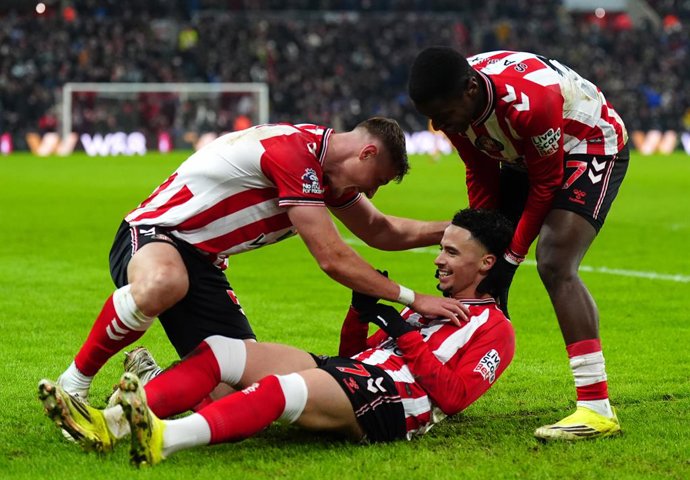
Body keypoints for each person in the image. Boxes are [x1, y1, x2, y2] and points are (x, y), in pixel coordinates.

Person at [38, 208, 516, 466]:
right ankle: (110, 424)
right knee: (223, 352)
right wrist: (361, 312)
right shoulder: (434, 308)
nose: (439, 259)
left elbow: (452, 397)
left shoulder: (497, 331)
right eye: (442, 248)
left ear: (486, 264)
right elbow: (352, 358)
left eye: (452, 253)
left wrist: (398, 327)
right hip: (361, 376)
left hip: (398, 403)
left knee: (282, 391)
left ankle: (164, 437)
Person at [55, 117, 469, 403]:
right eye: (377, 181)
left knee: (235, 388)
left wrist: (456, 227)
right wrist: (414, 298)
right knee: (166, 282)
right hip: (155, 234)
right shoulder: (293, 153)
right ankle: (73, 384)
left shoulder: (328, 174)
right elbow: (332, 258)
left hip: (203, 261)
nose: (372, 194)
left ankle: (148, 378)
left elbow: (382, 231)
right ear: (367, 153)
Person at [408, 46, 629, 441]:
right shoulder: (458, 105)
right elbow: (480, 173)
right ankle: (443, 386)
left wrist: (509, 258)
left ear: (470, 90)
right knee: (476, 264)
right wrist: (482, 242)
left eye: (443, 115)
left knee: (554, 261)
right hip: (522, 155)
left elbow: (545, 186)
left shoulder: (531, 103)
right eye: (432, 118)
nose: (439, 127)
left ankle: (597, 409)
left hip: (587, 144)